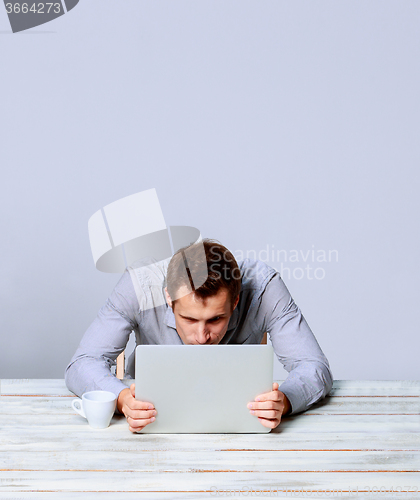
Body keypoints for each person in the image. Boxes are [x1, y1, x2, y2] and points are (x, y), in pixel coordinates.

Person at [65, 239, 333, 433]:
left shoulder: (264, 287)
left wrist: (284, 401)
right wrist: (123, 399)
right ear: (169, 298)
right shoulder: (139, 285)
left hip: (240, 430)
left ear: (236, 300)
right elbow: (82, 363)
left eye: (216, 319)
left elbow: (314, 367)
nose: (202, 336)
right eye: (189, 319)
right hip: (150, 428)